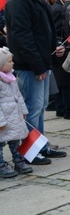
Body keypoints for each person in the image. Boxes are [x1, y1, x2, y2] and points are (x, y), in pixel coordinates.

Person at [4, 0, 67, 166]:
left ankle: (40, 145)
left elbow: (45, 29)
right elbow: (23, 38)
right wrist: (38, 65)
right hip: (30, 65)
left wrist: (56, 45)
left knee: (39, 107)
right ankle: (29, 150)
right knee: (31, 108)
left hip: (42, 61)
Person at [0, 48, 33, 177]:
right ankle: (1, 166)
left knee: (15, 141)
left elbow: (18, 96)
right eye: (9, 61)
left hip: (14, 116)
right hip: (4, 120)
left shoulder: (11, 78)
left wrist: (23, 110)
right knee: (0, 143)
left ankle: (19, 161)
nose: (13, 63)